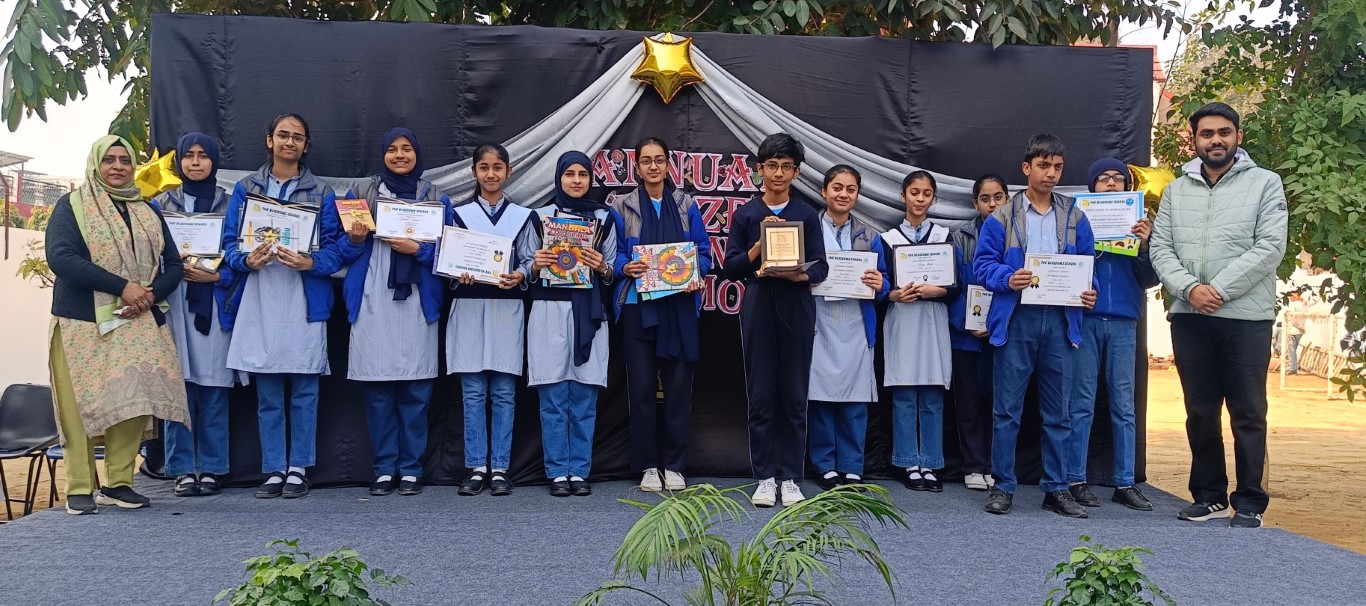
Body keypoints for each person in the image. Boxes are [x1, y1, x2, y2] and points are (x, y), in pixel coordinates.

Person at [1149, 102, 1288, 529]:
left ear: (1238, 137)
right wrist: (1190, 289)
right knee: (1200, 411)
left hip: (1246, 318)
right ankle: (1208, 496)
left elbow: (1270, 247)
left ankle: (1249, 502)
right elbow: (1160, 248)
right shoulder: (1176, 190)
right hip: (1190, 316)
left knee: (1248, 413)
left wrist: (1219, 290)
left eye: (1224, 132)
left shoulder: (1266, 183)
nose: (1216, 140)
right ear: (1194, 140)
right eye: (1206, 133)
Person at [222, 113, 365, 499]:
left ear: (305, 145)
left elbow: (336, 251)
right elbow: (229, 244)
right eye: (283, 135)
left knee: (304, 389)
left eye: (297, 137)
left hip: (304, 298)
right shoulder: (246, 189)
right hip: (260, 297)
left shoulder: (322, 192)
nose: (289, 142)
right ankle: (274, 468)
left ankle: (299, 468)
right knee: (268, 392)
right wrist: (245, 260)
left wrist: (310, 262)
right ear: (269, 140)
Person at [45, 135, 189, 514]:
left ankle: (118, 483)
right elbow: (61, 257)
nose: (118, 166)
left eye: (125, 160)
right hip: (81, 320)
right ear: (96, 164)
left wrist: (149, 294)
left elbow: (174, 264)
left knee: (134, 398)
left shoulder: (147, 210)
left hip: (137, 318)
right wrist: (122, 287)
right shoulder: (72, 206)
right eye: (109, 159)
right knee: (78, 401)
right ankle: (79, 487)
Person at [973, 134, 1097, 518]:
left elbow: (1089, 266)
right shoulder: (1002, 215)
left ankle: (1056, 488)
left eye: (1058, 167)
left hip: (1061, 320)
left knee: (1059, 413)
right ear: (1027, 167)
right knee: (1007, 411)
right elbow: (981, 266)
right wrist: (1007, 278)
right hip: (1016, 320)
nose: (1051, 174)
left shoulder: (1075, 215)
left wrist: (1090, 291)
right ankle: (1003, 486)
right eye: (1044, 165)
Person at [341, 128, 450, 497]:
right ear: (382, 154)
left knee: (416, 392)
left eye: (406, 149)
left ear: (417, 153)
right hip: (372, 297)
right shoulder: (360, 194)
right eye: (392, 149)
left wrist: (417, 249)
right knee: (378, 392)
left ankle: (411, 468)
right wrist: (355, 239)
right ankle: (384, 467)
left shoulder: (435, 197)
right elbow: (340, 249)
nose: (400, 155)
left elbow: (450, 254)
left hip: (418, 301)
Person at [722, 133, 829, 508]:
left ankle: (792, 478)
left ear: (796, 172)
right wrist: (758, 245)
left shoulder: (806, 215)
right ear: (760, 169)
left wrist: (800, 275)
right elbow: (730, 268)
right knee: (761, 394)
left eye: (786, 166)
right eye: (772, 166)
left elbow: (821, 267)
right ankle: (765, 477)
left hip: (796, 302)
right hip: (759, 301)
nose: (778, 173)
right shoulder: (747, 214)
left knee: (795, 395)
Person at [607, 137, 712, 492]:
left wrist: (695, 274)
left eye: (659, 160)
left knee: (678, 390)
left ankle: (675, 465)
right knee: (640, 390)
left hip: (679, 308)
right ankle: (649, 466)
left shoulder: (686, 204)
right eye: (646, 161)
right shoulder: (621, 206)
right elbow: (611, 256)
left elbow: (704, 253)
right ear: (637, 166)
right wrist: (627, 267)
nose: (653, 166)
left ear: (669, 165)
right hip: (638, 307)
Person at [523, 151, 620, 498]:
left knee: (583, 398)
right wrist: (536, 264)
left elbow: (613, 271)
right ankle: (556, 472)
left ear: (591, 179)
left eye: (583, 174)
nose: (576, 180)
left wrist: (601, 266)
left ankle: (578, 470)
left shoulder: (604, 219)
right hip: (549, 310)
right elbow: (524, 267)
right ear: (559, 178)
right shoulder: (540, 217)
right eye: (569, 174)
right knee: (552, 397)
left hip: (589, 313)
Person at [1066, 158, 1160, 512]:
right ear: (1092, 186)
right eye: (1103, 178)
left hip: (1123, 321)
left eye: (1117, 179)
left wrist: (1145, 245)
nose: (1110, 183)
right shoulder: (1076, 221)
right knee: (1081, 403)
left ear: (1126, 187)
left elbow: (1150, 279)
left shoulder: (1139, 223)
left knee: (1124, 406)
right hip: (1086, 320)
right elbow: (1066, 266)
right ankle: (1075, 479)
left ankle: (1125, 482)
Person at [154, 132, 240, 498]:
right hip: (173, 302)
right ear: (179, 161)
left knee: (214, 388)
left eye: (203, 155)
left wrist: (218, 277)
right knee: (179, 389)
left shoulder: (229, 203)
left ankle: (213, 468)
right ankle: (182, 469)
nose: (195, 162)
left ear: (214, 161)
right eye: (188, 155)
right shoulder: (160, 204)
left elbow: (240, 254)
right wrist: (169, 267)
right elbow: (147, 255)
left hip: (214, 302)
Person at [448, 143, 532, 498]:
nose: (491, 174)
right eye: (484, 167)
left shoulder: (523, 216)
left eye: (498, 167)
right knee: (472, 392)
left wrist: (522, 274)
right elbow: (447, 260)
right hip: (468, 306)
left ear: (508, 171)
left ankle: (499, 468)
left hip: (506, 306)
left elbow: (530, 259)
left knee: (503, 392)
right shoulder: (459, 214)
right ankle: (476, 467)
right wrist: (457, 272)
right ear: (474, 172)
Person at [806, 165, 888, 491]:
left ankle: (853, 465)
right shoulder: (808, 229)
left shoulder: (870, 236)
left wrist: (880, 283)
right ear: (824, 191)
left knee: (856, 397)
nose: (843, 194)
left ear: (857, 195)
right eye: (837, 187)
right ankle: (825, 464)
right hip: (818, 320)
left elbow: (884, 284)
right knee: (821, 396)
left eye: (850, 189)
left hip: (856, 320)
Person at [879, 171, 960, 493]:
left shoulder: (944, 236)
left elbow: (956, 285)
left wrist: (939, 291)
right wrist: (893, 294)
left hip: (932, 320)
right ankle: (907, 462)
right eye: (914, 192)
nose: (920, 198)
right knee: (903, 394)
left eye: (926, 193)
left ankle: (930, 462)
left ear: (933, 198)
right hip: (902, 318)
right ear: (903, 196)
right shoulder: (888, 239)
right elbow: (882, 284)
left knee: (931, 393)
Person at [947, 174, 1007, 491]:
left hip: (1003, 335)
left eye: (998, 197)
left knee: (1000, 403)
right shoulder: (960, 237)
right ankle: (973, 466)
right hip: (966, 334)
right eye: (985, 199)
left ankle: (994, 466)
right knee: (968, 403)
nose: (992, 204)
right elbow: (953, 286)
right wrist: (970, 323)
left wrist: (995, 322)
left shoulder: (1017, 235)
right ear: (975, 203)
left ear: (1008, 200)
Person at [1283, 290, 1308, 374]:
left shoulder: (1293, 304)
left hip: (1293, 330)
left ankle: (1292, 368)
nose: (1290, 298)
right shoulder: (1304, 303)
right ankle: (1293, 367)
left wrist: (1298, 326)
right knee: (1294, 349)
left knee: (1291, 350)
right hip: (1300, 330)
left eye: (1291, 296)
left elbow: (1292, 318)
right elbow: (1314, 301)